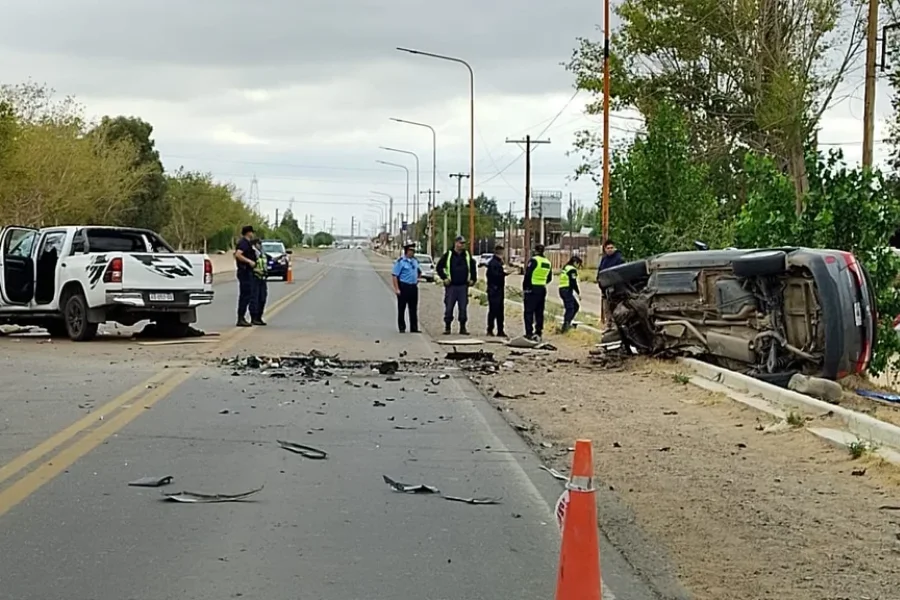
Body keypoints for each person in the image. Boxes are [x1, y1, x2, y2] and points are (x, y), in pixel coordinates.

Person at [436, 236, 477, 335]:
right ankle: (447, 327)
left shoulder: (467, 255)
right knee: (449, 307)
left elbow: (472, 268)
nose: (462, 245)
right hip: (451, 286)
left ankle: (462, 327)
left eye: (463, 243)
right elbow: (439, 267)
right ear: (455, 243)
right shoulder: (448, 255)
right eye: (460, 243)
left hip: (463, 286)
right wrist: (444, 278)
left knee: (463, 308)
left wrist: (473, 279)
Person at [522, 243, 552, 341]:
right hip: (542, 288)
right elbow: (549, 278)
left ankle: (529, 333)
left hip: (532, 289)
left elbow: (528, 275)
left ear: (535, 250)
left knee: (529, 312)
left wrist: (525, 288)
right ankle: (538, 332)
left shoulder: (534, 260)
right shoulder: (547, 262)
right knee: (539, 312)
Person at [392, 243, 421, 333]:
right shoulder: (401, 262)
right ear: (406, 251)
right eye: (411, 250)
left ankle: (414, 328)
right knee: (402, 308)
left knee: (413, 308)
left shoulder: (415, 261)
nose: (412, 252)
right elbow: (395, 275)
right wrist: (397, 289)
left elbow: (419, 271)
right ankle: (402, 327)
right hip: (404, 286)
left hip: (413, 287)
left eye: (413, 251)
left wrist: (417, 279)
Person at [597, 239, 625, 330]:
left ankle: (615, 327)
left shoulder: (619, 259)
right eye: (608, 248)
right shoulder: (604, 259)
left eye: (611, 248)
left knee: (616, 310)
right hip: (606, 290)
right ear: (605, 249)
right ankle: (608, 325)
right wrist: (600, 284)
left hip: (617, 290)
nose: (610, 250)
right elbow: (600, 273)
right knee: (607, 310)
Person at [233, 225, 258, 327]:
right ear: (248, 233)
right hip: (244, 272)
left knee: (248, 295)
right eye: (252, 232)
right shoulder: (243, 243)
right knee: (245, 295)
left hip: (248, 272)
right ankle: (240, 318)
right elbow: (238, 254)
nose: (253, 234)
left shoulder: (248, 243)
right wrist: (249, 261)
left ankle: (242, 317)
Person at [485, 243, 508, 337]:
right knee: (493, 310)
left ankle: (500, 330)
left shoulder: (498, 262)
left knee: (500, 311)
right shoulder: (493, 263)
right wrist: (504, 274)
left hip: (498, 289)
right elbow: (493, 276)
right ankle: (490, 329)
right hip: (494, 289)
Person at [558, 254, 583, 332]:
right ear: (575, 262)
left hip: (562, 289)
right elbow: (573, 282)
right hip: (567, 290)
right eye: (578, 264)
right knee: (571, 308)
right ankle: (566, 325)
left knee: (574, 306)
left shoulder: (566, 267)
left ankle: (567, 323)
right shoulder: (572, 269)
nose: (578, 266)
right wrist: (578, 293)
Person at [249, 239, 268, 326]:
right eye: (259, 244)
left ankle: (259, 317)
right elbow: (249, 265)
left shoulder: (262, 254)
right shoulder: (252, 253)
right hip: (254, 278)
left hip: (262, 278)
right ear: (255, 244)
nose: (260, 245)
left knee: (262, 298)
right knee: (255, 298)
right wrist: (256, 270)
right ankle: (254, 318)